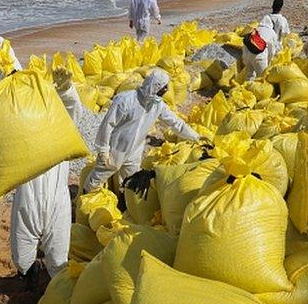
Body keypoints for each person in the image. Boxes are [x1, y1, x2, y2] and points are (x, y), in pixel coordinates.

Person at [84, 69, 199, 192]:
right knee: (98, 178)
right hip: (116, 149)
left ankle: (124, 205)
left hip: (135, 150)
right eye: (162, 90)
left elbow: (176, 124)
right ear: (154, 87)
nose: (164, 93)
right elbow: (107, 125)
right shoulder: (126, 100)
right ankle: (85, 201)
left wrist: (196, 137)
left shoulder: (158, 105)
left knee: (130, 181)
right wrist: (103, 150)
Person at [10, 156, 70, 291]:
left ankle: (56, 290)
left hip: (57, 200)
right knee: (21, 257)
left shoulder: (63, 139)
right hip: (28, 199)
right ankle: (31, 272)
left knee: (58, 257)